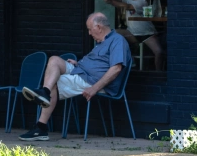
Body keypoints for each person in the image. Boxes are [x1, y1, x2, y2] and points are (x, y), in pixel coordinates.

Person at [19, 12, 131, 141]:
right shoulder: (101, 42)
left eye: (90, 29)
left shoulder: (117, 40)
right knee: (54, 60)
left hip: (91, 80)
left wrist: (94, 88)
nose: (89, 33)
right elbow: (97, 63)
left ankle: (40, 127)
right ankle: (45, 92)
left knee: (53, 81)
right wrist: (78, 64)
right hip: (81, 71)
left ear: (99, 27)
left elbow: (116, 68)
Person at [107, 0, 165, 70]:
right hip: (132, 33)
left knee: (159, 52)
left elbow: (127, 6)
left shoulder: (142, 1)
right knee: (111, 34)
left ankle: (158, 73)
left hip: (146, 33)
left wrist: (111, 1)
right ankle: (129, 58)